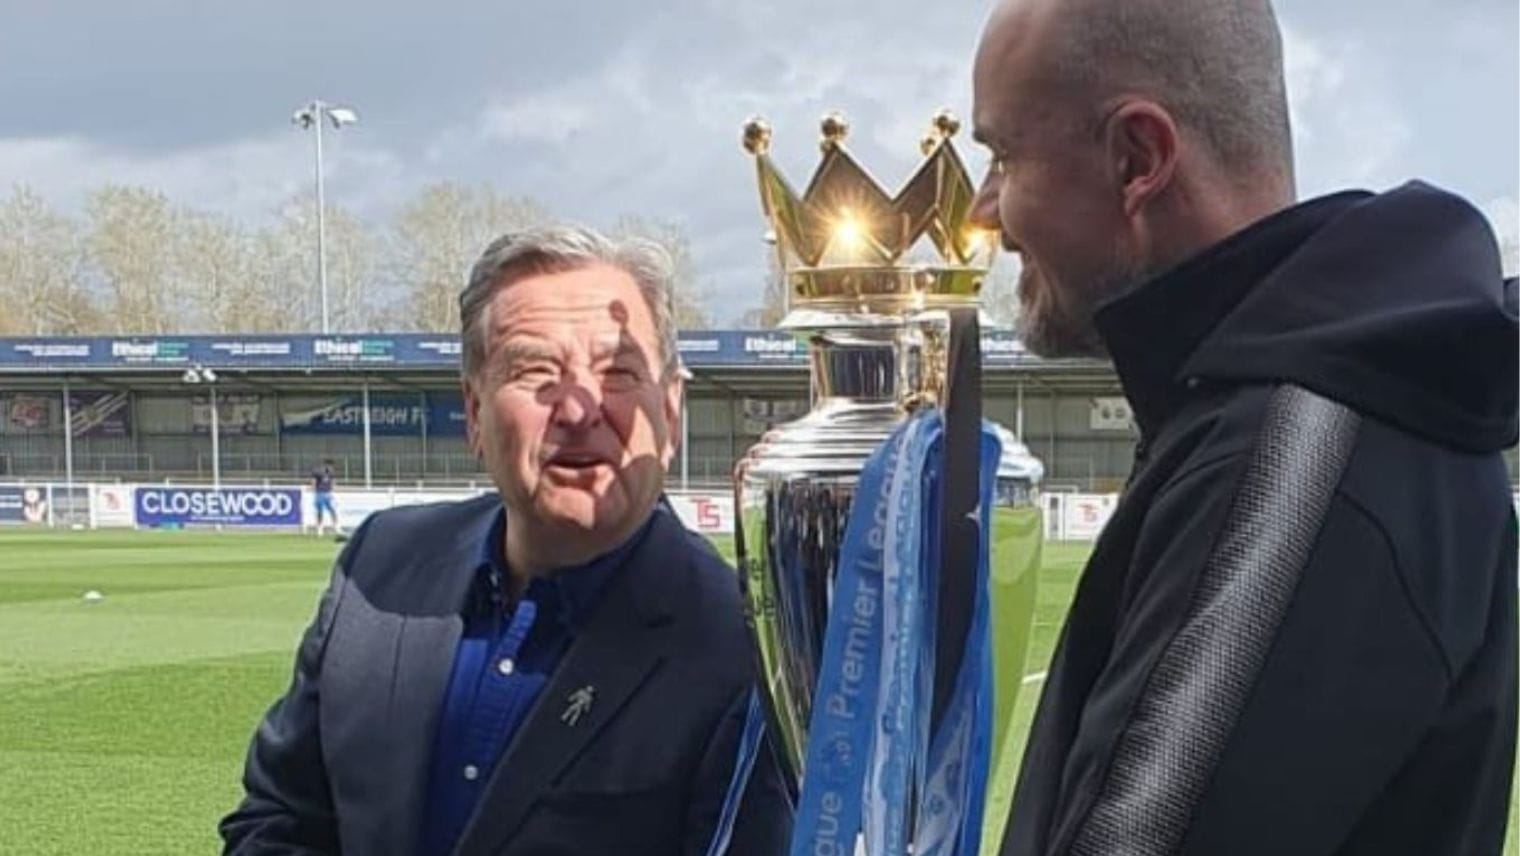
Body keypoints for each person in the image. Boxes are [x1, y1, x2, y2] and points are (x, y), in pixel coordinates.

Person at [969, 1, 1517, 854]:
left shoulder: (1300, 453)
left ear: (1137, 159)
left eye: (1003, 157)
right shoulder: (1264, 407)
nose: (982, 209)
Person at [222, 226, 790, 855]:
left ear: (671, 410)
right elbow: (280, 818)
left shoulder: (742, 650)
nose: (578, 408)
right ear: (474, 414)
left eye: (618, 371)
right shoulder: (379, 566)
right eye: (535, 371)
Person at [310, 458, 340, 536]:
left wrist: (332, 492)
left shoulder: (331, 473)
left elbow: (333, 482)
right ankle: (320, 528)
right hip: (320, 493)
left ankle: (336, 527)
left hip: (328, 493)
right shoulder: (318, 472)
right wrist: (314, 491)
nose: (331, 468)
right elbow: (313, 481)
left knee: (333, 510)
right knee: (320, 511)